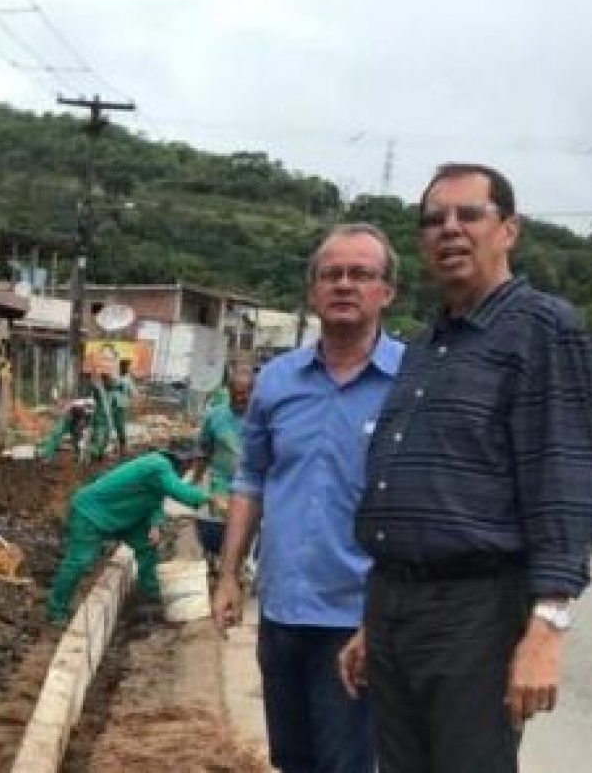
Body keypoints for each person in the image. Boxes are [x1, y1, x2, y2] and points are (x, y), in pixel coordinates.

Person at [342, 163, 592, 772]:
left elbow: (563, 475)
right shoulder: (428, 343)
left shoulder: (542, 328)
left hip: (475, 613)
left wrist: (547, 624)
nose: (449, 230)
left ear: (509, 229)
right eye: (434, 220)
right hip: (394, 607)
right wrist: (374, 624)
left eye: (469, 215)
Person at [212, 224, 404, 773]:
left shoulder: (410, 385)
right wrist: (228, 575)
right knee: (292, 759)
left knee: (346, 764)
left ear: (386, 292)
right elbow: (252, 480)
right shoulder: (277, 381)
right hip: (281, 612)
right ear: (312, 291)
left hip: (358, 619)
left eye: (361, 274)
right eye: (331, 274)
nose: (345, 285)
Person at [46, 449, 218, 624]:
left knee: (147, 545)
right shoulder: (158, 465)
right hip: (91, 513)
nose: (189, 468)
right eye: (188, 463)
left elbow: (157, 500)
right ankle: (56, 610)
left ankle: (150, 595)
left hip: (123, 515)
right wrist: (210, 499)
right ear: (178, 459)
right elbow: (180, 492)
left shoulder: (160, 469)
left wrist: (155, 524)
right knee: (80, 560)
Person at [191, 367, 253, 567]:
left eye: (246, 393)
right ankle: (215, 564)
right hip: (221, 483)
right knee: (219, 527)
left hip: (251, 485)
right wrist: (195, 481)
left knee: (245, 529)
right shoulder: (215, 416)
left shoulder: (261, 419)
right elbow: (204, 450)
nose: (241, 398)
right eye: (237, 393)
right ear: (229, 391)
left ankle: (237, 567)